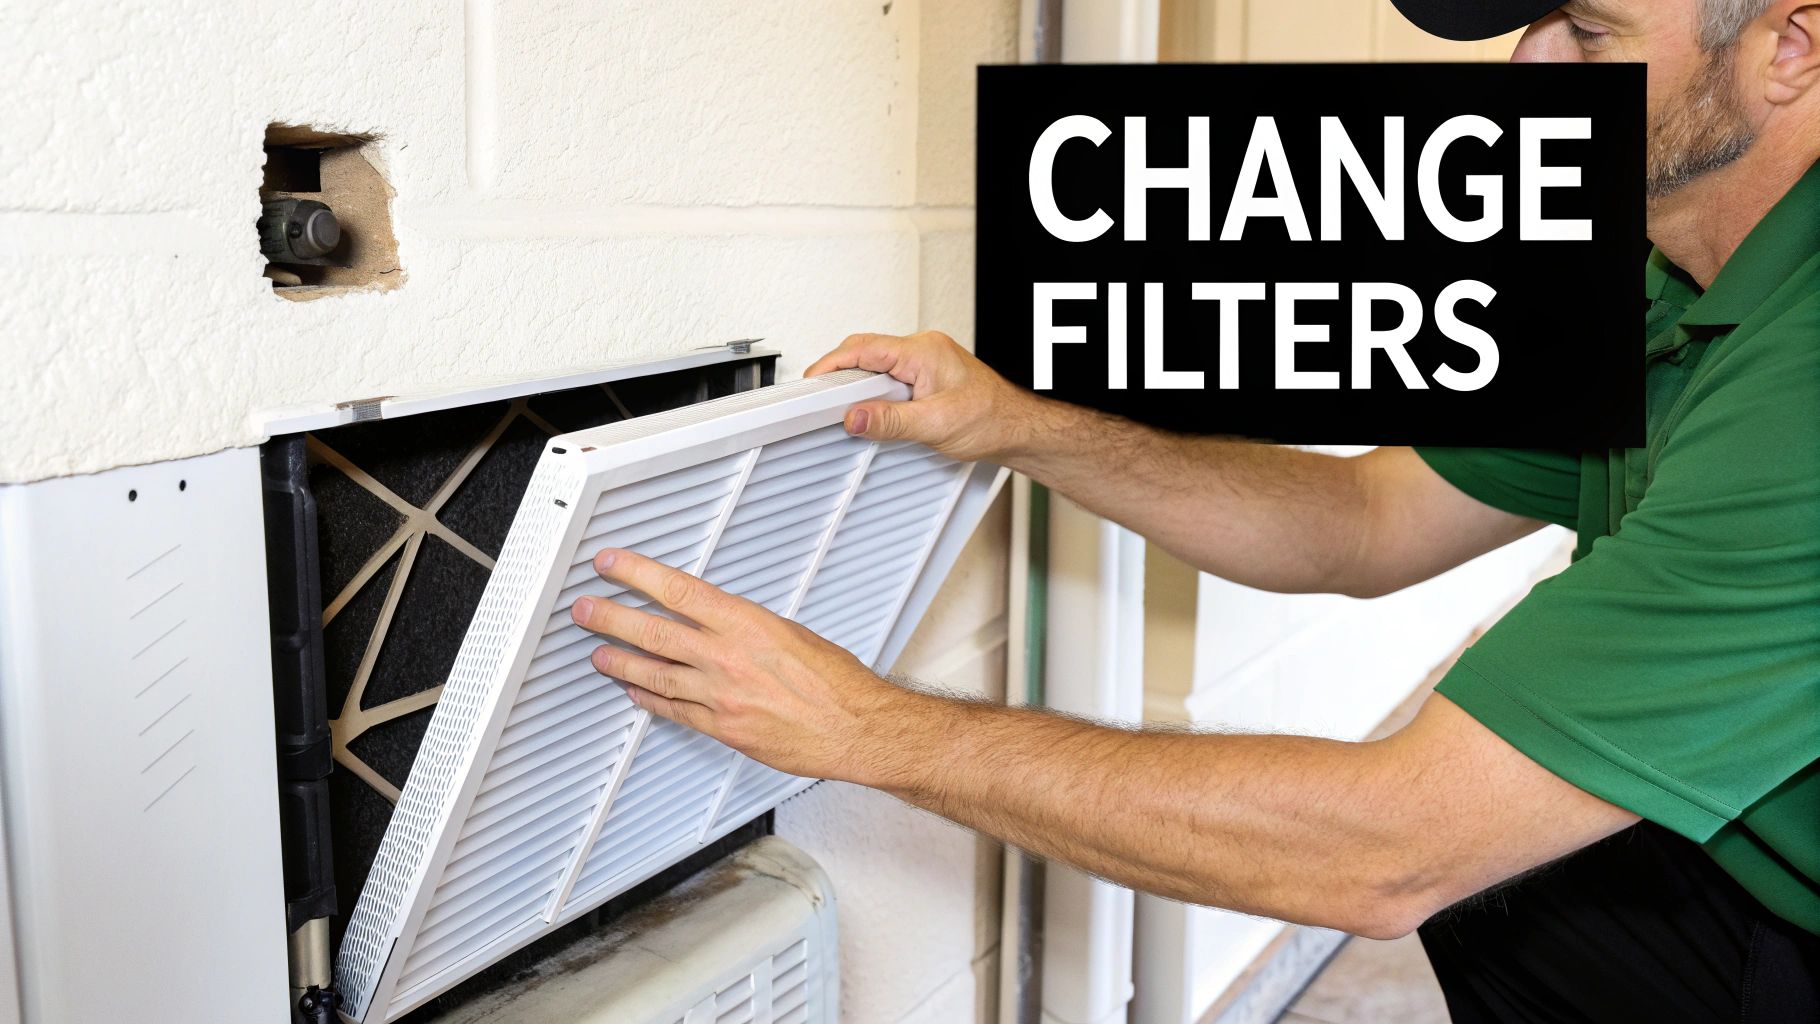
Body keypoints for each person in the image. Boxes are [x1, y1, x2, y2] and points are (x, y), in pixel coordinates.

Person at [565, 1, 1820, 1017]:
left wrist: (858, 728)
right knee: (1532, 884)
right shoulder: (1652, 283)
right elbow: (1369, 519)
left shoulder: (1798, 379)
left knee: (1484, 854)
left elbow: (1387, 847)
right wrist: (1019, 424)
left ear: (1789, 46)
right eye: (1528, 24)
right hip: (1740, 868)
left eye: (1585, 35)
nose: (1525, 67)